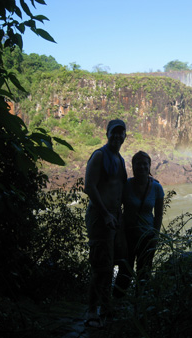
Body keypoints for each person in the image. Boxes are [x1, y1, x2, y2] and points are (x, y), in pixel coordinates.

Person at [84, 119, 127, 328]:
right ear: (107, 134)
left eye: (121, 133)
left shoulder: (120, 159)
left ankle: (106, 305)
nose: (117, 136)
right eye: (114, 133)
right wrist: (105, 214)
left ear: (125, 135)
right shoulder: (100, 155)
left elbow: (120, 188)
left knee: (111, 265)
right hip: (100, 216)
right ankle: (92, 310)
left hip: (114, 217)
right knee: (100, 266)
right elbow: (89, 186)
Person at [114, 151, 164, 297]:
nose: (142, 167)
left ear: (149, 166)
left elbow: (159, 215)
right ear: (133, 166)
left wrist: (156, 237)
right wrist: (119, 235)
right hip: (128, 236)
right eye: (138, 164)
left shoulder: (156, 188)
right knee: (125, 272)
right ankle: (117, 305)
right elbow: (117, 209)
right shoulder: (126, 185)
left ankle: (140, 307)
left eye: (145, 164)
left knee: (144, 273)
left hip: (147, 237)